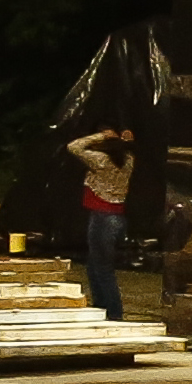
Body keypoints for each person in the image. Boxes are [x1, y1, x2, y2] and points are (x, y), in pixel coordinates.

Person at [64, 118, 135, 321]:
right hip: (115, 216)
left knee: (102, 269)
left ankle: (113, 313)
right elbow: (126, 149)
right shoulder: (128, 159)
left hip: (103, 217)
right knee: (94, 266)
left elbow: (74, 147)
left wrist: (101, 136)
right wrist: (125, 140)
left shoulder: (102, 161)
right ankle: (101, 308)